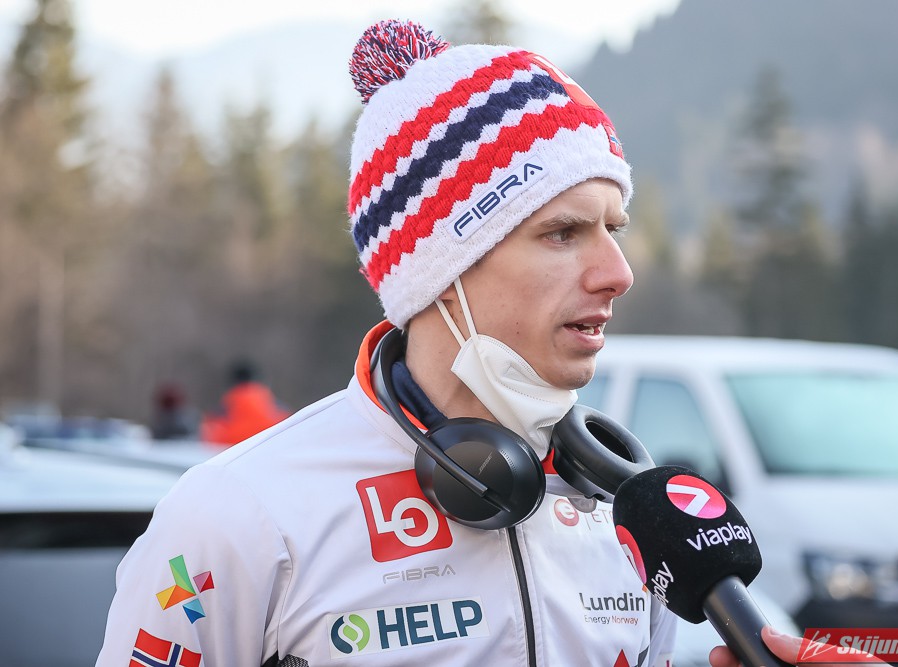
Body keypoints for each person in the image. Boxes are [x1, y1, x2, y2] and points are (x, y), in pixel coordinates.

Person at [97, 19, 827, 667]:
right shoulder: (239, 514)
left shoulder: (631, 515)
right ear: (439, 272)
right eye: (563, 232)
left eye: (614, 227)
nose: (618, 273)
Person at [199, 360, 291, 446]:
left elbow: (209, 439)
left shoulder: (222, 410)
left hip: (232, 452)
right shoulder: (276, 407)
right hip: (268, 452)